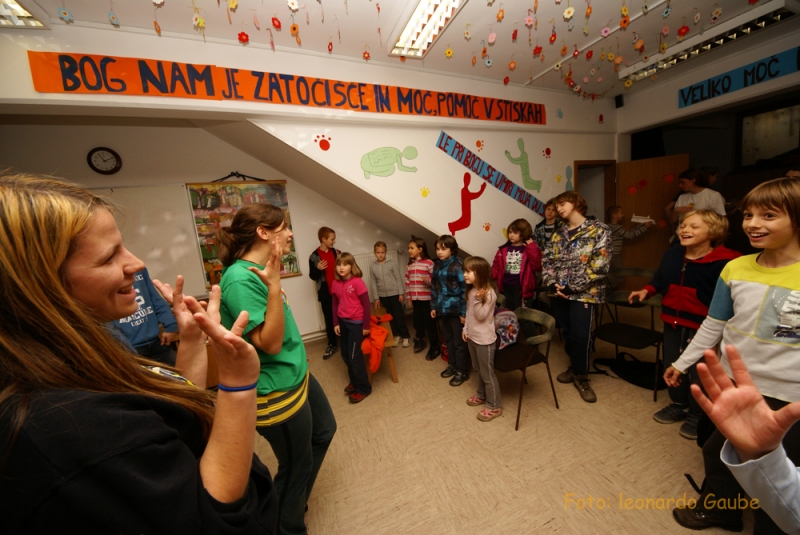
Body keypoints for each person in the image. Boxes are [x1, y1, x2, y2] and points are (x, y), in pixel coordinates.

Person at [0, 174, 277, 533]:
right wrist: (238, 384)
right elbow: (212, 516)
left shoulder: (91, 349)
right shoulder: (70, 426)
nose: (137, 264)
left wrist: (192, 343)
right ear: (42, 286)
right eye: (108, 257)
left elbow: (170, 413)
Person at [665, 177, 800, 533]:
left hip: (787, 396)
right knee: (717, 452)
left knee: (779, 473)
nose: (753, 224)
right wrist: (682, 362)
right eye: (749, 215)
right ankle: (723, 511)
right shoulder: (736, 268)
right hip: (731, 385)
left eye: (768, 215)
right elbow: (714, 324)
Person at [217, 204, 336, 535]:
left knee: (324, 430)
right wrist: (273, 288)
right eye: (284, 227)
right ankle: (286, 523)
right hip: (275, 391)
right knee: (296, 466)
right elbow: (269, 344)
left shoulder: (259, 270)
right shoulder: (240, 279)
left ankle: (291, 501)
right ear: (263, 232)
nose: (291, 233)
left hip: (295, 374)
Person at [628, 210, 739, 439]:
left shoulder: (728, 262)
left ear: (713, 232)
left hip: (704, 327)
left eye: (694, 226)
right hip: (672, 321)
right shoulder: (672, 255)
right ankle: (679, 403)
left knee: (700, 371)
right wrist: (647, 290)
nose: (684, 230)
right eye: (683, 225)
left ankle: (698, 413)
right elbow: (660, 279)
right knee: (672, 364)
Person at [692, 344, 800, 535]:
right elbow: (793, 510)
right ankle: (721, 512)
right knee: (715, 451)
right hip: (751, 379)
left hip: (788, 387)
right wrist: (760, 454)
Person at [542, 191, 611, 403]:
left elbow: (600, 266)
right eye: (557, 205)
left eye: (563, 203)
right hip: (559, 293)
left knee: (582, 336)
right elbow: (548, 261)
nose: (559, 208)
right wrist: (551, 282)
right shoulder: (558, 233)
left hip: (584, 295)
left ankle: (581, 376)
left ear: (575, 203)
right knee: (569, 333)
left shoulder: (599, 230)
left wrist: (572, 288)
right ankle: (575, 365)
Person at [111, 267, 178, 366]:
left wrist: (171, 325)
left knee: (179, 373)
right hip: (128, 347)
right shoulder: (105, 275)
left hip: (156, 342)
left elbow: (154, 297)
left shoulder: (138, 269)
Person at [463, 256, 502, 422]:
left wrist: (479, 299)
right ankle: (481, 395)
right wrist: (465, 329)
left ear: (480, 273)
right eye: (464, 271)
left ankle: (494, 406)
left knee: (487, 374)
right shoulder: (472, 290)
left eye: (468, 271)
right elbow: (469, 313)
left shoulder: (489, 293)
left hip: (484, 340)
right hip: (473, 337)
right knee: (478, 369)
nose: (464, 274)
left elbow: (480, 315)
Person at [331, 253, 372, 403]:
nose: (341, 267)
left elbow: (367, 304)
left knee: (355, 356)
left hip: (356, 324)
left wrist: (365, 325)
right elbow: (334, 303)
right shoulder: (335, 283)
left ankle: (364, 388)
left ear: (352, 266)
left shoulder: (357, 282)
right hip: (343, 323)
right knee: (346, 354)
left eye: (345, 264)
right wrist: (335, 323)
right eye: (339, 264)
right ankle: (354, 381)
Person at [431, 235, 469, 387]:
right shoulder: (437, 265)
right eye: (437, 249)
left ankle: (462, 370)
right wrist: (433, 306)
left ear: (452, 250)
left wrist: (464, 313)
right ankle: (452, 365)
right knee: (448, 340)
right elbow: (434, 287)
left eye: (443, 249)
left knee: (459, 343)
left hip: (456, 311)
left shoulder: (458, 266)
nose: (439, 252)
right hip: (443, 309)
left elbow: (465, 291)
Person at [491, 218, 542, 312]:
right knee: (507, 314)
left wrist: (532, 248)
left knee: (522, 316)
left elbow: (537, 267)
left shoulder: (529, 249)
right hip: (505, 287)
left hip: (522, 288)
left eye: (515, 232)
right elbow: (496, 267)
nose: (511, 235)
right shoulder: (503, 249)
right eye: (510, 232)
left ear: (523, 233)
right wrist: (487, 278)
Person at [369, 241, 410, 348]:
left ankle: (405, 336)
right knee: (389, 317)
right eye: (378, 252)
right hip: (383, 296)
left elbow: (398, 278)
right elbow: (373, 283)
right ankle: (396, 335)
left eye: (382, 252)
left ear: (386, 252)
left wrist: (401, 293)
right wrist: (376, 298)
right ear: (375, 253)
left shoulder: (392, 263)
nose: (380, 255)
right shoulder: (373, 266)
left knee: (399, 316)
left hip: (395, 294)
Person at [405, 237, 441, 360]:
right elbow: (407, 282)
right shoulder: (410, 265)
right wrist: (409, 298)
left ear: (420, 249)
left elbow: (436, 281)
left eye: (412, 248)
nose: (409, 250)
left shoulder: (429, 263)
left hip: (427, 300)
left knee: (429, 323)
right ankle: (420, 340)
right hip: (415, 300)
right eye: (408, 248)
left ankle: (435, 346)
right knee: (417, 321)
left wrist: (427, 280)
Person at [308, 226, 341, 360]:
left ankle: (347, 341)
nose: (334, 241)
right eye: (332, 239)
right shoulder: (314, 256)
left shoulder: (337, 253)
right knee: (329, 320)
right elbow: (312, 276)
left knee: (344, 316)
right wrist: (317, 268)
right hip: (326, 294)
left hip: (340, 293)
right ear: (323, 239)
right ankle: (332, 344)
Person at [605, 206, 652, 290]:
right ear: (614, 215)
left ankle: (608, 289)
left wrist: (640, 226)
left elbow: (628, 233)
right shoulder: (616, 227)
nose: (624, 215)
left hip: (611, 254)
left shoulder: (612, 226)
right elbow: (630, 235)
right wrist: (645, 227)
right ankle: (606, 288)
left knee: (614, 273)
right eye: (621, 213)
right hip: (614, 255)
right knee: (621, 274)